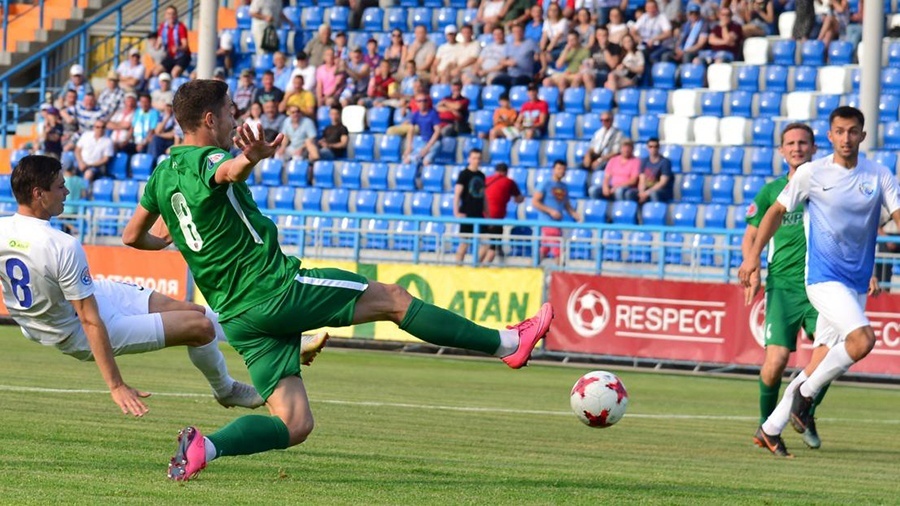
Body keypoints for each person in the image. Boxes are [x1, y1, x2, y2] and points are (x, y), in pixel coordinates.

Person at [121, 79, 554, 481]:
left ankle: (205, 448)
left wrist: (170, 239)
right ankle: (508, 344)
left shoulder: (162, 174)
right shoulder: (210, 158)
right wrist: (250, 158)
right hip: (274, 290)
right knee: (393, 298)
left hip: (237, 317)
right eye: (230, 110)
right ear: (210, 119)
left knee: (294, 424)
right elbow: (227, 171)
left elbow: (131, 235)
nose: (236, 117)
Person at [0, 155, 276, 420]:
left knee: (193, 310)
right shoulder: (61, 244)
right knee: (200, 328)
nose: (67, 192)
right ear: (39, 193)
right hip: (77, 332)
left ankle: (277, 337)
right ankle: (226, 390)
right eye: (60, 186)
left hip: (86, 300)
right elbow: (90, 321)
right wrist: (116, 385)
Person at [739, 107, 900, 457]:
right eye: (839, 131)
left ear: (863, 135)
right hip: (823, 280)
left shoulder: (879, 175)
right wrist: (752, 258)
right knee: (863, 340)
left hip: (856, 283)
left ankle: (769, 429)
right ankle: (806, 397)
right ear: (830, 136)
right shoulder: (812, 173)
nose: (846, 138)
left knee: (818, 362)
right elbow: (776, 212)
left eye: (853, 131)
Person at [739, 123, 831, 454]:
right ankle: (768, 427)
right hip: (783, 286)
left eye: (803, 142)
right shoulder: (770, 192)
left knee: (830, 354)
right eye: (790, 143)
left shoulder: (826, 187)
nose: (797, 147)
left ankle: (805, 412)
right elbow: (751, 235)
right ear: (781, 151)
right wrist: (753, 267)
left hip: (822, 284)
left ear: (813, 148)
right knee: (775, 361)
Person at [532, 160, 580, 265]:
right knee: (559, 252)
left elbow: (566, 205)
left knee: (543, 251)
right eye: (559, 169)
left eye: (563, 169)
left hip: (557, 224)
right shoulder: (545, 183)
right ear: (553, 169)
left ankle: (530, 271)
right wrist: (550, 211)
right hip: (547, 223)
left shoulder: (564, 186)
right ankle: (561, 276)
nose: (561, 171)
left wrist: (575, 215)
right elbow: (535, 202)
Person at [482, 162, 525, 264]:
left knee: (484, 243)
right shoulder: (509, 182)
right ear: (506, 172)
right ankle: (484, 267)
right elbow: (518, 198)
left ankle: (475, 265)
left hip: (483, 216)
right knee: (492, 246)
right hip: (496, 217)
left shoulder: (486, 180)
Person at [454, 150, 487, 264]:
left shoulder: (481, 175)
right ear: (469, 159)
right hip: (467, 212)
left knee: (486, 242)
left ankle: (475, 265)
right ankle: (458, 267)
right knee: (464, 243)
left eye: (478, 158)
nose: (476, 161)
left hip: (479, 213)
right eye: (474, 158)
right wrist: (456, 212)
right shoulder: (464, 174)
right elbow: (457, 193)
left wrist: (487, 213)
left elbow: (484, 196)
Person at [403, 94, 443, 166]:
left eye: (425, 101)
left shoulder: (433, 114)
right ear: (416, 103)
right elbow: (410, 131)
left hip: (434, 142)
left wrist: (428, 147)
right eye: (420, 101)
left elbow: (437, 131)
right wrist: (409, 146)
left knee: (426, 162)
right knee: (407, 159)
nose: (422, 103)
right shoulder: (416, 114)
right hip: (422, 141)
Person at [75, 120, 114, 185]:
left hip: (95, 166)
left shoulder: (108, 141)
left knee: (88, 174)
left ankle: (84, 193)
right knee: (67, 172)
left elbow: (105, 159)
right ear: (94, 127)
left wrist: (89, 165)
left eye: (102, 127)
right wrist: (80, 162)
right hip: (80, 162)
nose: (100, 129)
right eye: (98, 127)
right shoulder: (86, 135)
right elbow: (77, 150)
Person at [636, 138, 674, 204]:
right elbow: (642, 180)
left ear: (659, 148)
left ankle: (656, 212)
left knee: (654, 193)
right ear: (647, 148)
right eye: (650, 147)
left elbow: (663, 182)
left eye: (656, 146)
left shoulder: (665, 162)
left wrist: (647, 193)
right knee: (630, 194)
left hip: (662, 191)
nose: (653, 149)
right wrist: (641, 192)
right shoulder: (644, 161)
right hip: (647, 189)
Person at [156, 5, 191, 77]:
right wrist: (157, 45)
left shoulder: (181, 27)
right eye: (169, 14)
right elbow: (159, 42)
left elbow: (185, 46)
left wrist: (178, 48)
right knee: (156, 71)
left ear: (176, 15)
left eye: (173, 14)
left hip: (182, 56)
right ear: (165, 15)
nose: (171, 16)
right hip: (170, 56)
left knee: (174, 73)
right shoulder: (163, 27)